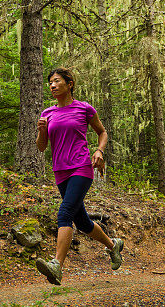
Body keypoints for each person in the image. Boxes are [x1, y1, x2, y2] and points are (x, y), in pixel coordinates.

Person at [35, 67, 124, 285]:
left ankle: (56, 265)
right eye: (50, 83)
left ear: (70, 83)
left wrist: (99, 151)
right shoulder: (47, 114)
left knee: (64, 212)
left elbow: (102, 132)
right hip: (60, 170)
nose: (53, 86)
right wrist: (41, 131)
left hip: (81, 167)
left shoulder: (84, 108)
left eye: (56, 81)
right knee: (82, 221)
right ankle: (113, 245)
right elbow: (41, 147)